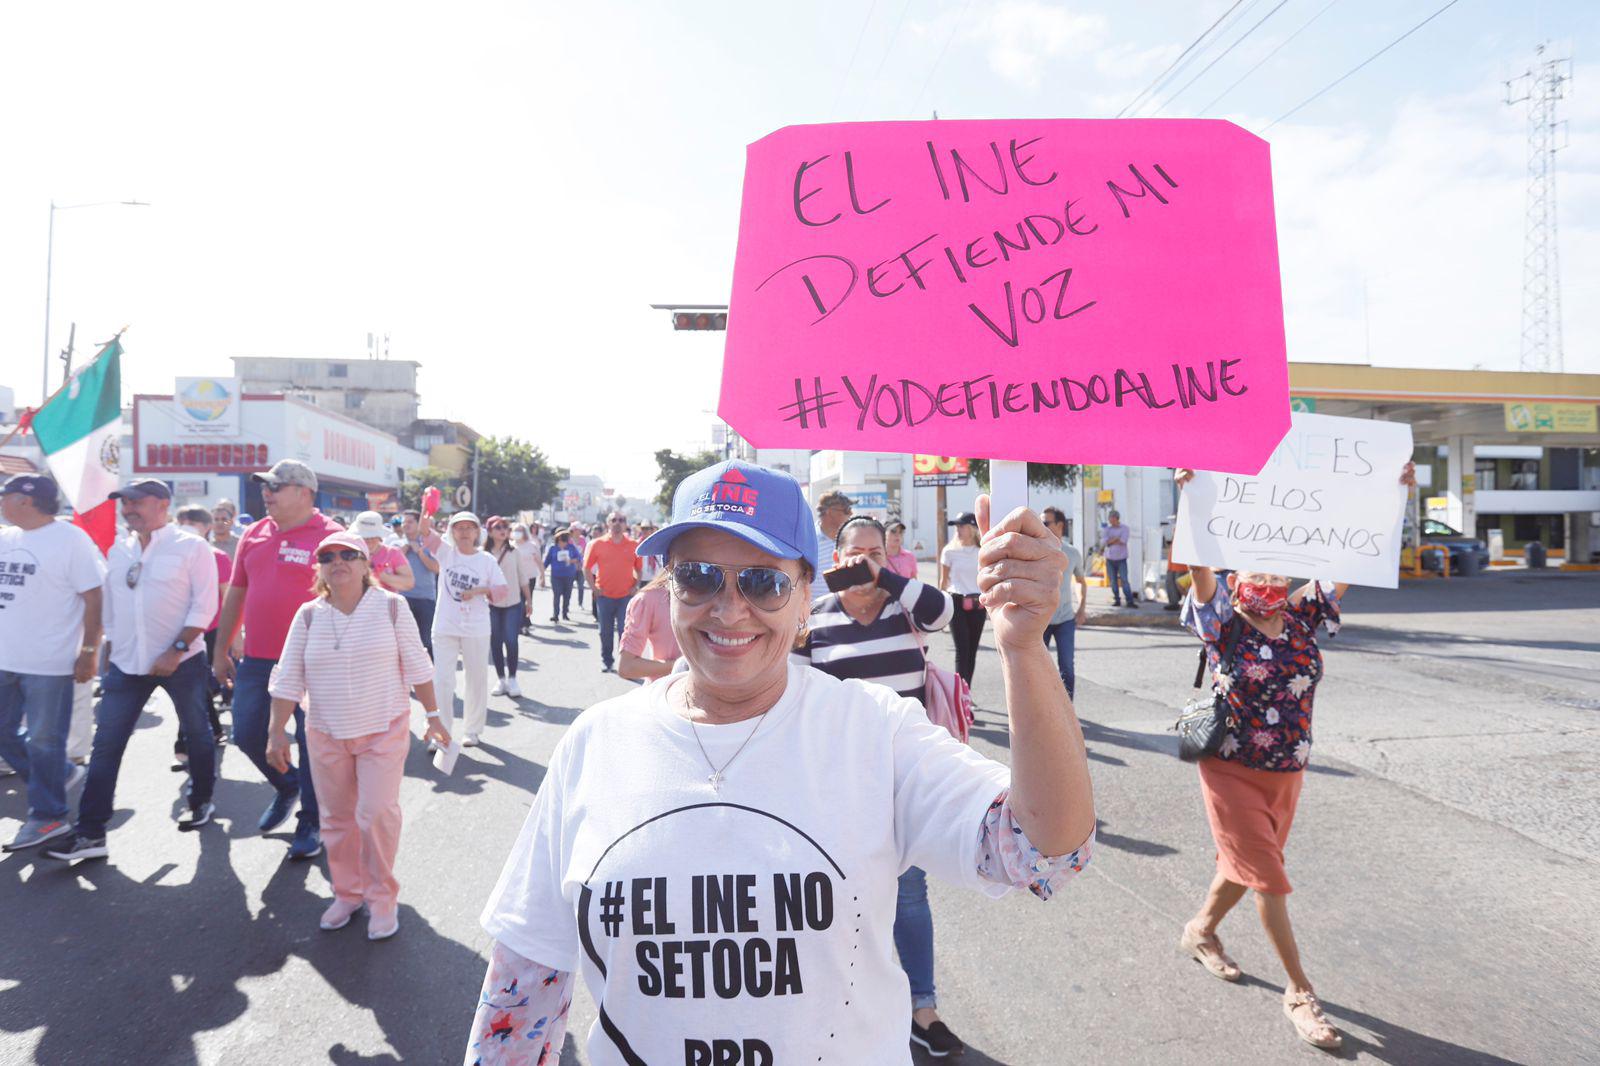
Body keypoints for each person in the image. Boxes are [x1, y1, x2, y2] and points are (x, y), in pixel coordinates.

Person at [467, 460, 1095, 1064]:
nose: (729, 607)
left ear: (803, 600)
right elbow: (526, 977)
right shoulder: (593, 743)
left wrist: (1023, 649)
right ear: (667, 587)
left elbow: (1043, 851)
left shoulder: (873, 730)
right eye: (698, 577)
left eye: (763, 582)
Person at [1172, 462, 1416, 1052]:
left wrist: (1393, 495)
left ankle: (1200, 932)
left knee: (1250, 866)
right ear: (1233, 576)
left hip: (1287, 771)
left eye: (1273, 563)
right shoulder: (1223, 624)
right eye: (1251, 563)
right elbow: (1199, 558)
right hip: (1230, 768)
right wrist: (1192, 497)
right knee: (1269, 878)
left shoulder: (1305, 616)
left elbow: (1357, 554)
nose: (1264, 572)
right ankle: (1300, 993)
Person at [796, 514, 967, 1053]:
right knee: (838, 897)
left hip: (903, 778)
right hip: (837, 779)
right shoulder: (817, 615)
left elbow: (945, 612)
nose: (866, 560)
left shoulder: (906, 605)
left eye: (876, 551)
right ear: (836, 557)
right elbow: (793, 694)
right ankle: (845, 1005)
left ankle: (923, 1008)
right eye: (855, 553)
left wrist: (885, 577)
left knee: (910, 895)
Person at [267, 531, 451, 940]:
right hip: (326, 732)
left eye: (348, 554)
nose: (338, 561)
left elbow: (417, 664)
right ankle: (347, 893)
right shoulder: (309, 614)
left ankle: (381, 897)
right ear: (319, 567)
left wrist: (434, 715)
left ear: (367, 563)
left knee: (376, 814)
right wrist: (276, 731)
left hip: (382, 728)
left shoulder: (390, 607)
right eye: (327, 556)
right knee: (336, 819)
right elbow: (288, 676)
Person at [46, 482, 221, 862]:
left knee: (197, 734)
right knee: (106, 746)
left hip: (182, 662)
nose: (128, 509)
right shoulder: (118, 548)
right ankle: (91, 833)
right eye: (124, 503)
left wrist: (176, 651)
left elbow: (205, 606)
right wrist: (102, 651)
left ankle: (202, 798)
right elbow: (109, 606)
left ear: (162, 504)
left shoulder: (191, 547)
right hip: (126, 665)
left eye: (136, 502)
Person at [213, 459, 339, 861]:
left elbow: (352, 601)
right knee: (248, 735)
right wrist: (220, 648)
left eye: (276, 487)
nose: (266, 493)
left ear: (304, 493)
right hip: (259, 660)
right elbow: (236, 594)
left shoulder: (333, 538)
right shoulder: (252, 533)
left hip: (314, 664)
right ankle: (289, 786)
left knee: (310, 742)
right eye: (265, 487)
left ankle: (312, 819)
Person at [0, 475, 105, 852]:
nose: (1, 502)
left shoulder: (70, 539)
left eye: (5, 496)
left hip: (49, 661)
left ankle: (49, 817)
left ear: (25, 501)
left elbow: (94, 598)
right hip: (5, 658)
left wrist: (89, 652)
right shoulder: (8, 536)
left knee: (45, 740)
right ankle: (57, 776)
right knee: (5, 734)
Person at [432, 512, 507, 746]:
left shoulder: (486, 560)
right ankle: (440, 733)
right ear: (452, 532)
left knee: (476, 678)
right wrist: (427, 506)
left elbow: (502, 590)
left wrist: (477, 591)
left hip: (476, 626)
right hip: (445, 625)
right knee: (442, 680)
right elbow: (424, 532)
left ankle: (472, 730)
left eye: (469, 528)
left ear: (477, 533)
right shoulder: (445, 553)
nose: (464, 532)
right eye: (459, 527)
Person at [172, 504, 231, 766]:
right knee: (194, 687)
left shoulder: (217, 556)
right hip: (180, 630)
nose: (185, 529)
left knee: (195, 686)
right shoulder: (168, 554)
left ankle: (185, 741)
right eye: (181, 522)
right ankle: (214, 729)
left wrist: (234, 638)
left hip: (210, 631)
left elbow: (228, 597)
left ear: (205, 528)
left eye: (192, 523)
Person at [583, 511, 641, 674]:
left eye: (621, 520)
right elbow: (586, 568)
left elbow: (639, 569)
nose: (617, 523)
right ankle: (607, 661)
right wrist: (594, 588)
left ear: (625, 524)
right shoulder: (597, 544)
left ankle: (625, 663)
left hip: (625, 597)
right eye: (613, 520)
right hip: (604, 596)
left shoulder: (633, 545)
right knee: (605, 631)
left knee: (625, 631)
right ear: (607, 523)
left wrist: (635, 585)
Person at [1040, 507, 1088, 699]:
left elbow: (1081, 582)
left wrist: (1081, 607)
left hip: (1066, 619)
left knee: (1067, 666)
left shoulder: (1072, 553)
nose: (1041, 527)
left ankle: (1068, 709)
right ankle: (1042, 708)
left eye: (1046, 523)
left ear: (1059, 525)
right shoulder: (1037, 551)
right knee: (1037, 666)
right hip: (1041, 620)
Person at [485, 517, 534, 698]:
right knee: (495, 642)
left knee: (511, 640)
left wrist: (528, 601)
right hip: (491, 604)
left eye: (505, 527)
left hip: (513, 602)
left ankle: (513, 678)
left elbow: (522, 578)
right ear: (490, 531)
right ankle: (501, 679)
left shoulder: (514, 552)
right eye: (498, 527)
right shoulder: (483, 553)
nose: (503, 530)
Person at [940, 512, 985, 686]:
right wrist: (941, 608)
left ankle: (967, 692)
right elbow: (943, 581)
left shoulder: (982, 551)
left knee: (972, 650)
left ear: (973, 528)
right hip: (956, 601)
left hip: (978, 603)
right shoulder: (949, 551)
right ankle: (959, 693)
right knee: (962, 649)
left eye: (962, 526)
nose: (958, 530)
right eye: (956, 526)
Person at [615, 576, 680, 681]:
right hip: (664, 690)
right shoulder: (649, 598)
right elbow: (626, 667)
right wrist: (680, 666)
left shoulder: (711, 596)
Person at [397, 510, 441, 658]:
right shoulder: (395, 544)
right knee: (402, 643)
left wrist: (420, 552)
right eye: (404, 522)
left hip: (425, 599)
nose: (405, 525)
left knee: (426, 642)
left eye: (410, 522)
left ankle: (431, 678)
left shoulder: (429, 543)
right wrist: (400, 554)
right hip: (402, 598)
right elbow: (385, 570)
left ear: (418, 524)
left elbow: (436, 569)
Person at [352, 511, 414, 593]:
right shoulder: (349, 552)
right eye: (364, 536)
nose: (368, 540)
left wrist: (382, 576)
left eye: (372, 536)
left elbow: (409, 583)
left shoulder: (392, 553)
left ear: (379, 536)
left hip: (384, 604)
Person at [809, 489, 853, 598]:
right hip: (813, 611)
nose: (851, 513)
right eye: (846, 509)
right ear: (829, 511)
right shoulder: (808, 539)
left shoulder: (851, 539)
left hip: (844, 611)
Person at [1100, 510, 1137, 607]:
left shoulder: (1125, 528)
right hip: (1110, 558)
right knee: (1113, 580)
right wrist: (1116, 539)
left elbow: (1123, 541)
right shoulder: (1107, 529)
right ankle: (1117, 599)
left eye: (1111, 518)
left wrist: (1111, 540)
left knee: (1124, 579)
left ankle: (1129, 601)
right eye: (1109, 518)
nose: (1110, 520)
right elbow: (1105, 542)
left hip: (1121, 558)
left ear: (1116, 518)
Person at [543, 529, 579, 622]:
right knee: (557, 595)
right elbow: (547, 561)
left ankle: (565, 613)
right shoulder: (553, 548)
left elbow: (579, 558)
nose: (564, 543)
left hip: (569, 575)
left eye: (565, 541)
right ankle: (556, 614)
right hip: (556, 576)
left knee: (567, 595)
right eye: (562, 541)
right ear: (558, 540)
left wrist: (570, 561)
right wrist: (542, 572)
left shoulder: (571, 547)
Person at [513, 524, 542, 633]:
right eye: (515, 530)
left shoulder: (531, 545)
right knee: (519, 601)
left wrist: (542, 576)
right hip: (515, 579)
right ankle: (522, 623)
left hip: (530, 577)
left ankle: (525, 622)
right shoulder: (511, 545)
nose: (517, 533)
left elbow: (539, 561)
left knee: (526, 600)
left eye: (520, 531)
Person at [569, 524, 589, 612]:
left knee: (581, 586)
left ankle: (580, 603)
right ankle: (567, 605)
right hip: (570, 567)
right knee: (569, 587)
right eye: (577, 530)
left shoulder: (583, 539)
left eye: (580, 530)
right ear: (573, 530)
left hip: (581, 567)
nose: (579, 531)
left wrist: (580, 560)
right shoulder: (569, 540)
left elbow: (585, 552)